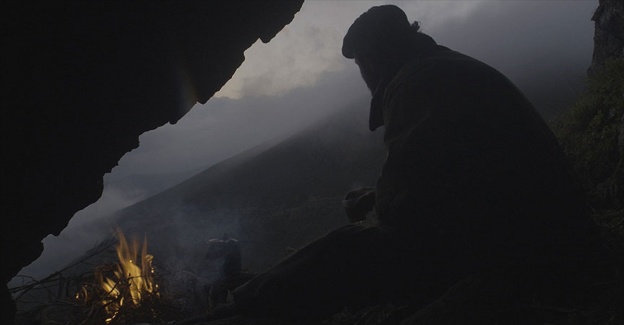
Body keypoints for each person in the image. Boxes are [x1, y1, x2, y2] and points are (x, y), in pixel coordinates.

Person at [200, 5, 603, 323]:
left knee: (348, 246)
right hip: (544, 226)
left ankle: (238, 306)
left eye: (359, 63)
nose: (361, 74)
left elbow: (404, 210)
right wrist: (383, 195)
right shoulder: (446, 67)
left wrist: (374, 203)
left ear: (373, 57)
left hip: (528, 248)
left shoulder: (415, 84)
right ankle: (255, 292)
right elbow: (460, 174)